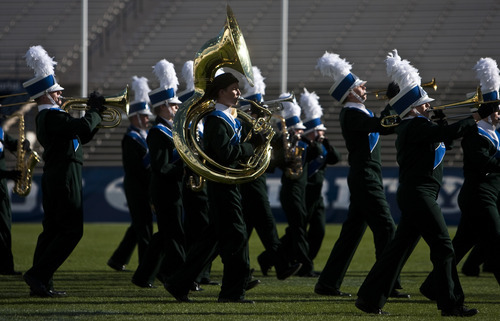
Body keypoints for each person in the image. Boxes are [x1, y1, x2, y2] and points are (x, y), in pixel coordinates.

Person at [355, 49, 490, 316]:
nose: (430, 106)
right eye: (425, 104)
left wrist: (446, 128)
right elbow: (444, 133)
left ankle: (369, 299)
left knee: (397, 250)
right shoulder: (413, 125)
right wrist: (475, 116)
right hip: (420, 194)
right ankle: (451, 303)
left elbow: (443, 140)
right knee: (443, 246)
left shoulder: (420, 126)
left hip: (418, 194)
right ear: (413, 107)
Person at [165, 72, 264, 303]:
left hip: (229, 185)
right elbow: (226, 154)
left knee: (212, 241)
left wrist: (258, 142)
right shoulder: (215, 121)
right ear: (221, 92)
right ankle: (232, 293)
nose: (239, 92)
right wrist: (251, 145)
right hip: (222, 186)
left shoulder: (230, 119)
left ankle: (178, 282)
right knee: (237, 238)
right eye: (234, 88)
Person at [314, 51, 405, 297]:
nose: (365, 88)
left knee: (352, 233)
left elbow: (384, 126)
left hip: (367, 176)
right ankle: (388, 283)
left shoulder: (360, 113)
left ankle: (327, 283)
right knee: (386, 227)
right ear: (351, 92)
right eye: (360, 86)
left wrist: (393, 105)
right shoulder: (351, 114)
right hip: (364, 177)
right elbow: (381, 126)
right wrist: (394, 102)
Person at [21, 45, 104, 297]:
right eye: (57, 91)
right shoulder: (53, 117)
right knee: (71, 231)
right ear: (47, 94)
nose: (61, 94)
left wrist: (93, 116)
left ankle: (41, 282)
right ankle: (38, 275)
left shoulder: (50, 117)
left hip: (58, 174)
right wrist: (95, 111)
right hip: (65, 176)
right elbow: (82, 127)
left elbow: (83, 135)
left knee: (53, 231)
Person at [419, 57, 500, 296]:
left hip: (487, 196)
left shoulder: (494, 133)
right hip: (479, 197)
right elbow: (483, 162)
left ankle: (431, 286)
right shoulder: (475, 133)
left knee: (460, 245)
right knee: (496, 244)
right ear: (486, 111)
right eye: (497, 109)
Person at [239, 66, 302, 280]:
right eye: (260, 109)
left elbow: (271, 159)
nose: (265, 112)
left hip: (256, 180)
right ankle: (281, 265)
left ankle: (237, 269)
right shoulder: (244, 126)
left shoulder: (260, 127)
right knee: (266, 223)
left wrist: (286, 148)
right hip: (249, 181)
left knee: (243, 230)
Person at [131, 59, 185, 288]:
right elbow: (161, 167)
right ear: (162, 106)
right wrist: (185, 166)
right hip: (164, 190)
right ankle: (177, 275)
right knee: (173, 236)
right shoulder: (157, 133)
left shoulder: (170, 130)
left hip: (172, 188)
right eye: (173, 105)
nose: (176, 108)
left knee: (164, 236)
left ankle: (144, 276)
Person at [107, 76, 154, 271]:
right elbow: (136, 168)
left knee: (138, 225)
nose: (147, 118)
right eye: (143, 116)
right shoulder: (131, 139)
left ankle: (118, 259)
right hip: (136, 187)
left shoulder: (144, 135)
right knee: (144, 227)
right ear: (134, 117)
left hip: (143, 186)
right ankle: (146, 266)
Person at [299, 88, 341, 264]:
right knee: (299, 230)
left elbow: (335, 159)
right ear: (312, 131)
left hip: (318, 194)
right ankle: (296, 263)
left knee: (319, 230)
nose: (323, 133)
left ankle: (308, 261)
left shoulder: (323, 146)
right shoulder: (303, 145)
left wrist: (327, 145)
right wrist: (315, 144)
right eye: (320, 131)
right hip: (305, 192)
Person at [0, 117, 25, 275]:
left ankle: (6, 267)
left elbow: (9, 143)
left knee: (4, 225)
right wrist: (6, 174)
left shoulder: (0, 130)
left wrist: (22, 146)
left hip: (1, 186)